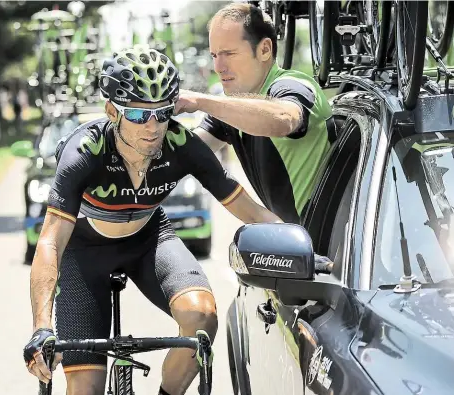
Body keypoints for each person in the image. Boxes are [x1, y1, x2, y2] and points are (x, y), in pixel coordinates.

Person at [23, 45, 283, 395]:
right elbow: (51, 240)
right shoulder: (86, 150)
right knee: (86, 388)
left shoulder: (179, 143)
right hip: (84, 253)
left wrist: (295, 243)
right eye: (136, 115)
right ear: (112, 111)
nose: (152, 126)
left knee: (201, 318)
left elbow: (248, 209)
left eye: (162, 113)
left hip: (149, 240)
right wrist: (41, 327)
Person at [175, 2, 336, 225]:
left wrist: (200, 101)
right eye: (214, 55)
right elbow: (185, 154)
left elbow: (283, 120)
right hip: (296, 246)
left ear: (264, 50)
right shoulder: (233, 108)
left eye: (229, 53)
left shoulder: (293, 85)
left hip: (331, 246)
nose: (219, 67)